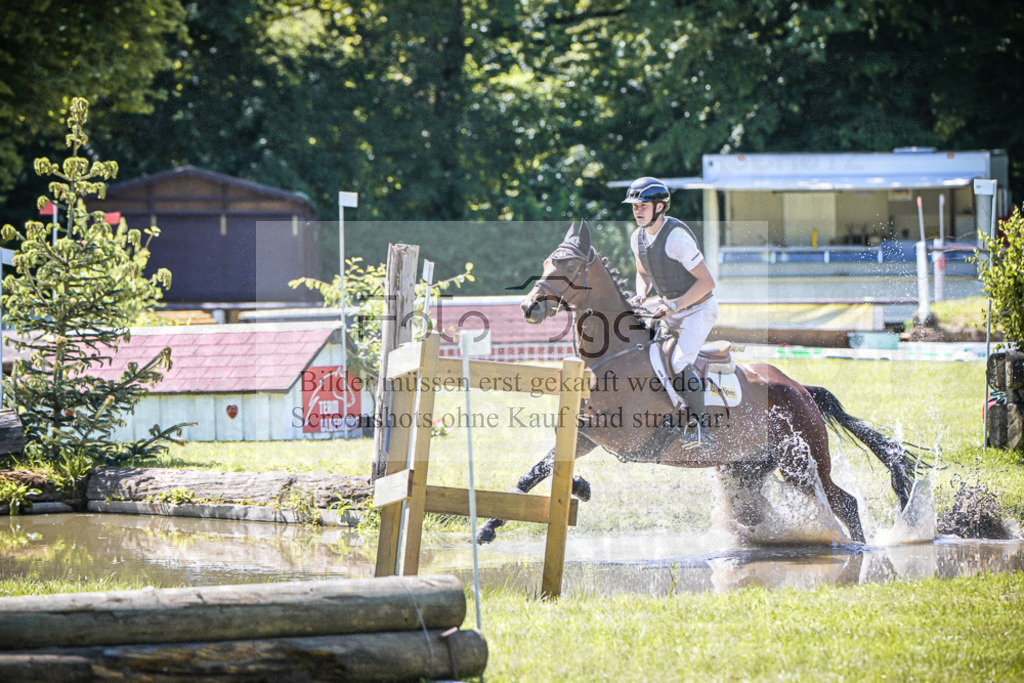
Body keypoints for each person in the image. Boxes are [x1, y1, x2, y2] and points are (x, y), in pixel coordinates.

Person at [623, 176, 718, 446]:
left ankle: (703, 430)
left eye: (642, 205)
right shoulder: (637, 238)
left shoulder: (676, 238)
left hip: (699, 309)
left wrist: (674, 305)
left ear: (660, 207)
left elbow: (707, 283)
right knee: (650, 356)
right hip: (670, 308)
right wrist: (641, 294)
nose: (637, 210)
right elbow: (642, 273)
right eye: (634, 206)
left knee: (677, 362)